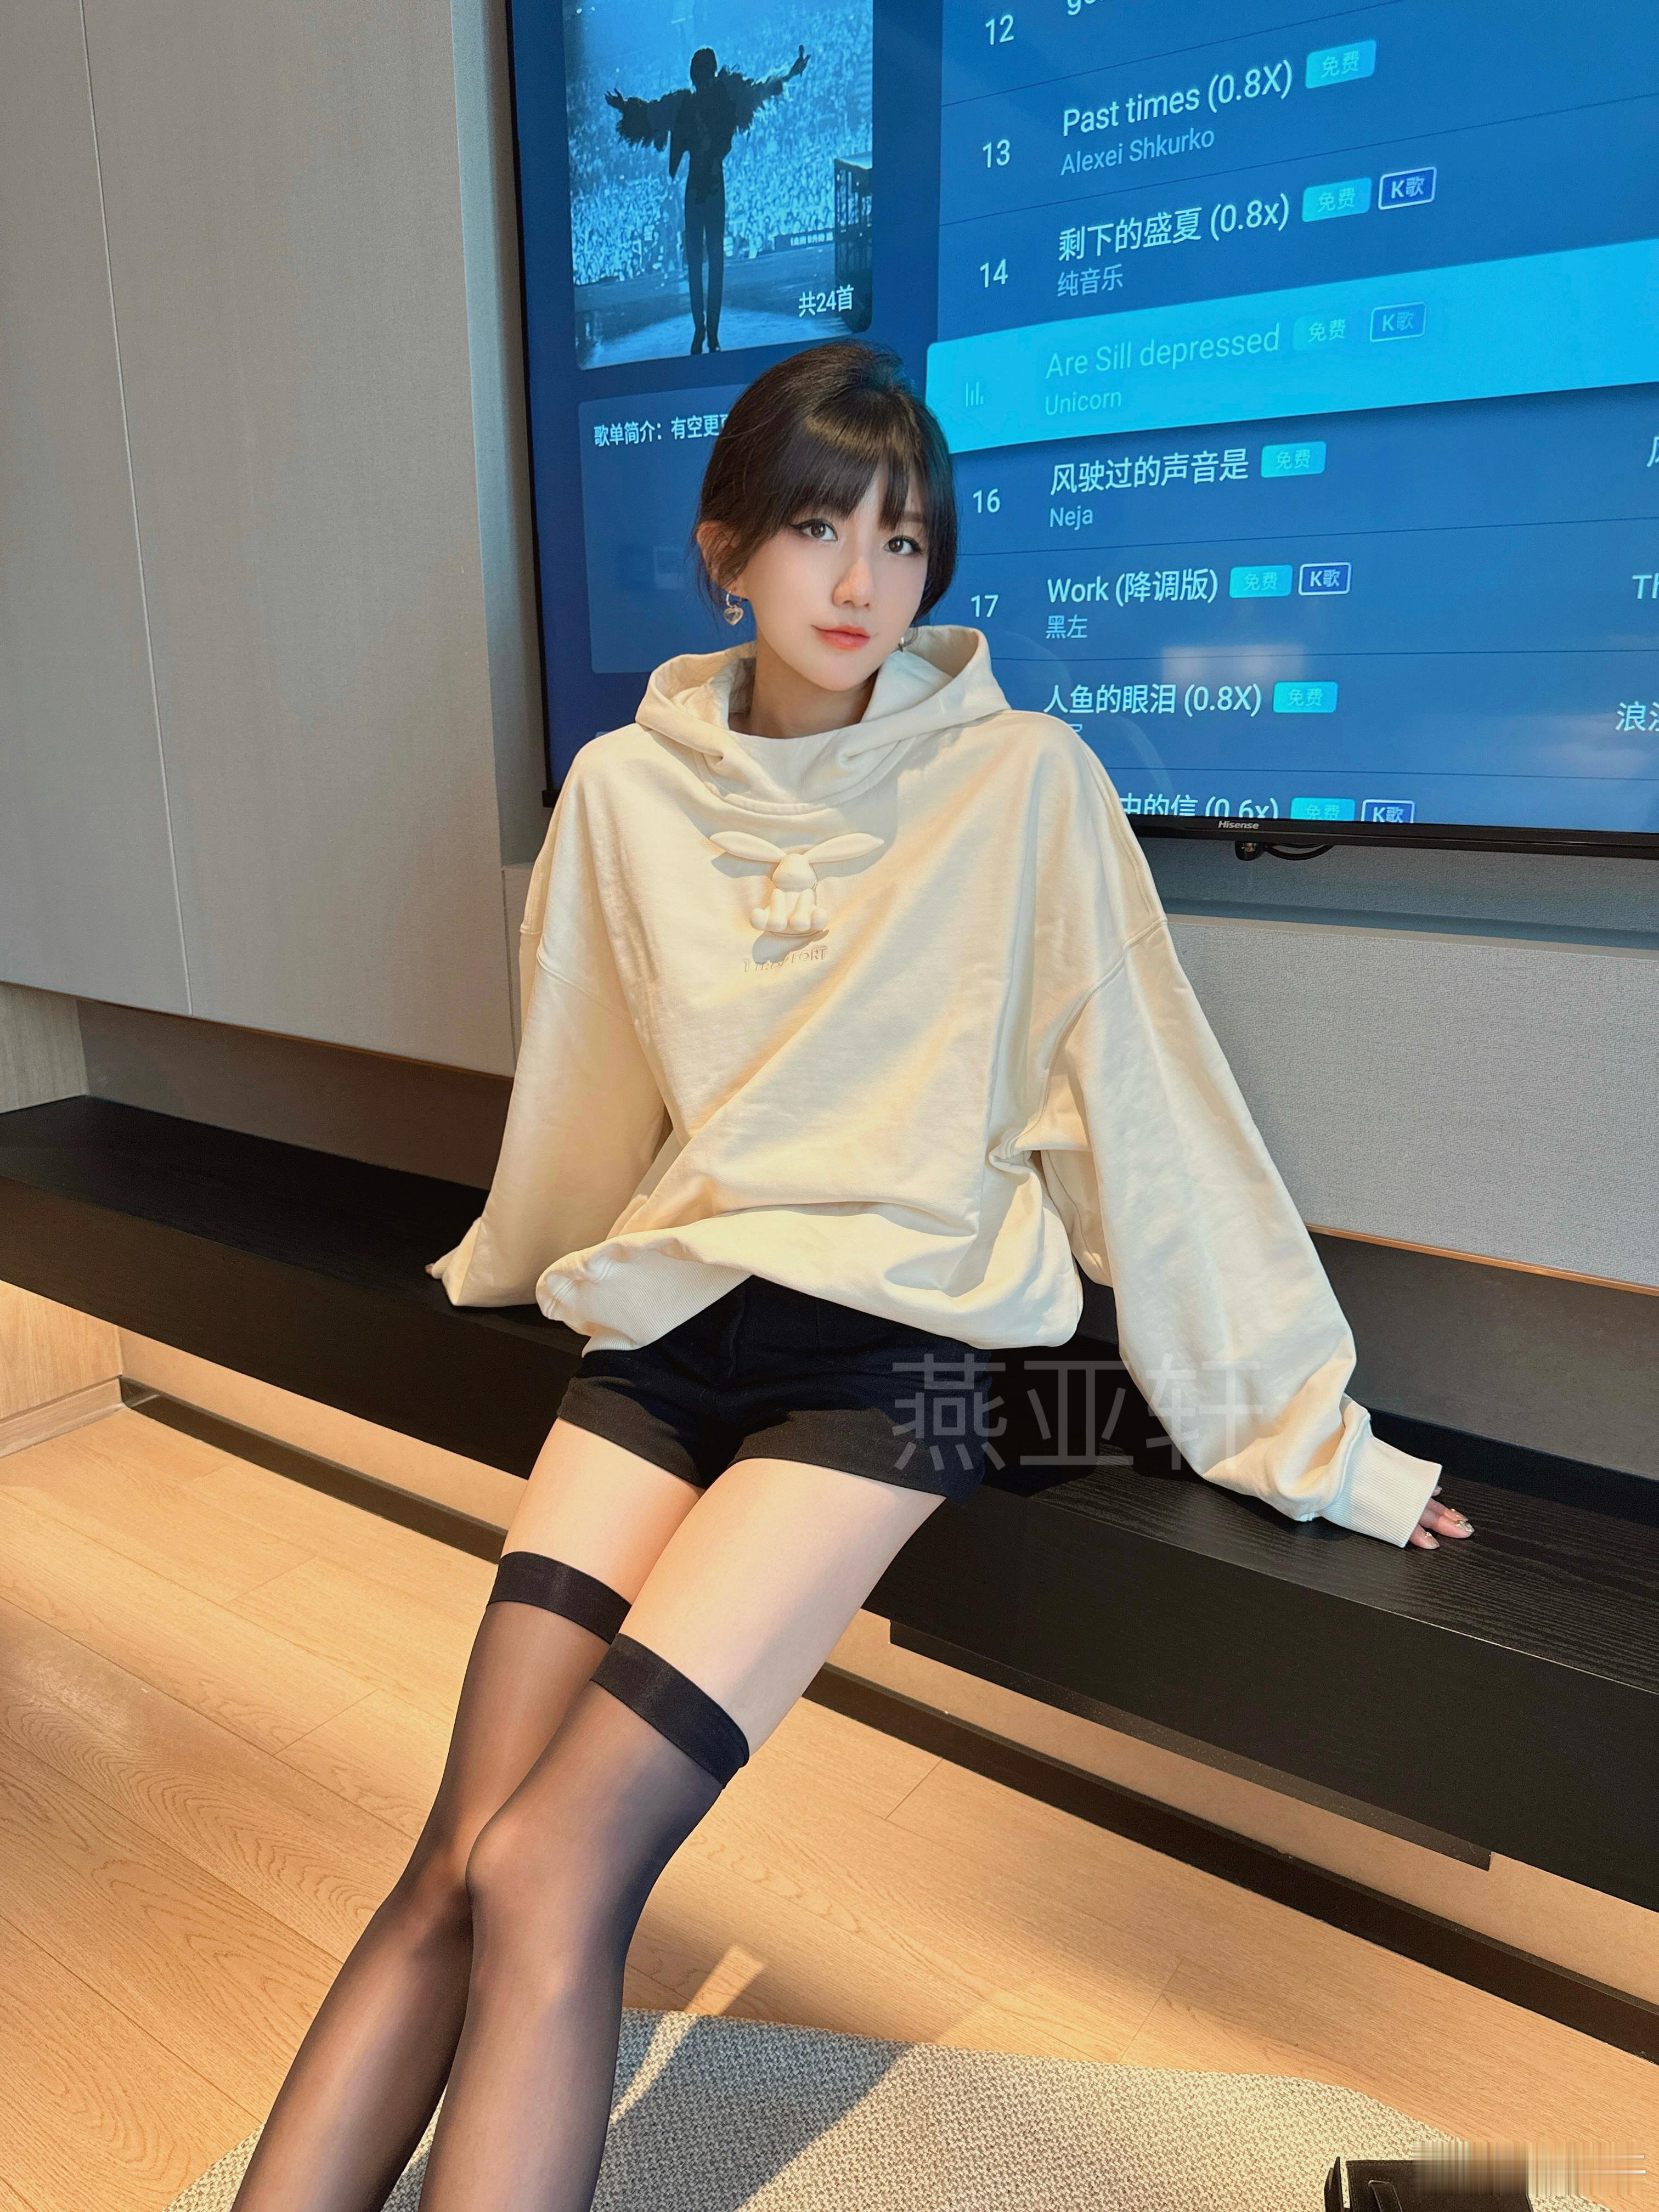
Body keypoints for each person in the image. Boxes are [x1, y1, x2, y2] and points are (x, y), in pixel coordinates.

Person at [227, 340, 1472, 2211]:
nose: (861, 580)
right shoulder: (623, 792)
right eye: (820, 528)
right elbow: (586, 1090)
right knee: (455, 1861)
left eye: (902, 542)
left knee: (556, 1866)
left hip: (888, 1369)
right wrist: (513, 1263)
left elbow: (1152, 1112)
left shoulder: (1024, 782)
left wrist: (1316, 1441)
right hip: (668, 1344)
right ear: (726, 546)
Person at [606, 42, 809, 353]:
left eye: (703, 76)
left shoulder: (720, 96)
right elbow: (651, 113)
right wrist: (625, 107)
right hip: (704, 187)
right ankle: (704, 329)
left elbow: (760, 91)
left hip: (708, 186)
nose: (701, 82)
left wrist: (791, 74)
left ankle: (708, 330)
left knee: (710, 261)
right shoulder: (691, 102)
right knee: (703, 262)